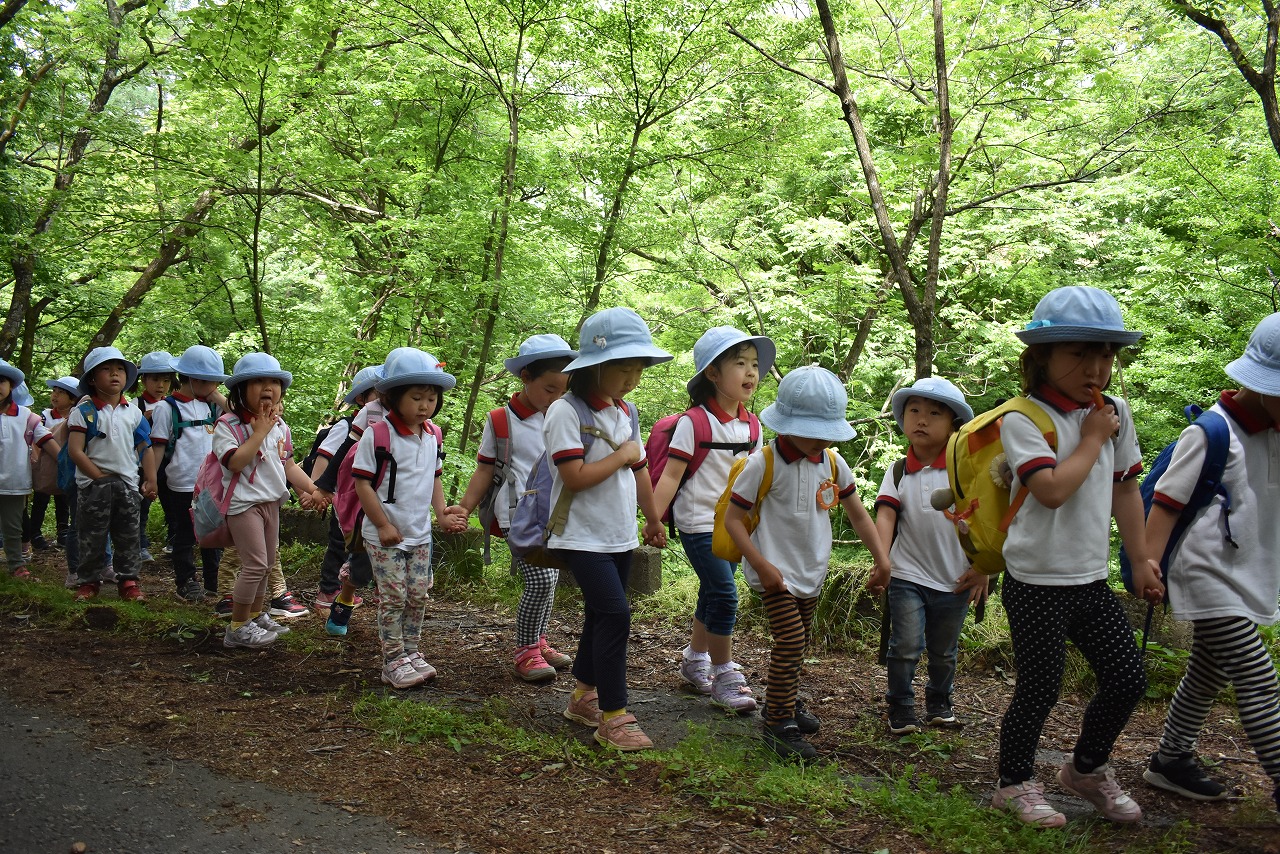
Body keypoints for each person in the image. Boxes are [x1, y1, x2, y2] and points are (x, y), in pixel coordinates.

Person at [980, 286, 1163, 828]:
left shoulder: (1114, 413)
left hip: (1089, 580)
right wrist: (1090, 438)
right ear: (1042, 357)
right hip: (1034, 580)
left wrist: (1141, 559)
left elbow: (1126, 490)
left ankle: (1086, 770)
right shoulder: (1022, 419)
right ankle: (1012, 784)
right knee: (1040, 686)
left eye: (1107, 354)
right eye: (1079, 353)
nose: (1096, 367)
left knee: (1128, 677)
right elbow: (1051, 489)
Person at [1141, 312, 1280, 813]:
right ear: (1262, 387)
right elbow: (1166, 503)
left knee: (1209, 670)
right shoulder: (1211, 433)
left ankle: (1169, 760)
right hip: (1203, 572)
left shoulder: (1273, 433)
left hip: (1246, 574)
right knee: (1257, 675)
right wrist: (1147, 565)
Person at [723, 365, 891, 760]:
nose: (821, 440)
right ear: (787, 425)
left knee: (800, 642)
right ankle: (778, 722)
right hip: (774, 572)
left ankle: (786, 699)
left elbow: (860, 515)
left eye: (826, 432)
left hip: (811, 570)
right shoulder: (763, 463)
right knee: (791, 640)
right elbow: (733, 520)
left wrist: (882, 559)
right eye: (813, 431)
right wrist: (762, 565)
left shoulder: (830, 463)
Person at [551, 307, 670, 751]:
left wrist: (653, 517)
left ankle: (583, 697)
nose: (632, 377)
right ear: (596, 366)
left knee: (601, 615)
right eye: (624, 368)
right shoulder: (567, 412)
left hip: (618, 533)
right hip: (580, 534)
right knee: (616, 614)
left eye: (638, 368)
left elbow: (640, 471)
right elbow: (575, 477)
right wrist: (621, 455)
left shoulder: (626, 412)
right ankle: (614, 716)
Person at [651, 327, 774, 712]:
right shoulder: (695, 423)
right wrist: (654, 519)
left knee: (711, 591)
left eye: (754, 364)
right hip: (697, 522)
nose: (751, 372)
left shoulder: (753, 426)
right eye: (739, 363)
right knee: (724, 594)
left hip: (732, 526)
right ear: (713, 374)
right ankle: (725, 675)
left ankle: (694, 660)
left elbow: (753, 480)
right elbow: (672, 475)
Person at [445, 334, 578, 682]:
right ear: (526, 378)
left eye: (564, 390)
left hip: (555, 512)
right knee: (540, 578)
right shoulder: (501, 420)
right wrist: (462, 507)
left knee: (550, 578)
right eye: (549, 389)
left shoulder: (566, 414)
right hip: (515, 511)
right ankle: (526, 650)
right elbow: (485, 469)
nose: (557, 398)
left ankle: (539, 640)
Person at [871, 377, 977, 735]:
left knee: (944, 650)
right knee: (905, 646)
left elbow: (986, 522)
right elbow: (886, 514)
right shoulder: (899, 470)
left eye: (934, 413)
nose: (921, 419)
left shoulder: (965, 471)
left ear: (953, 425)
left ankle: (939, 701)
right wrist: (882, 560)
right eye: (913, 411)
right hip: (907, 574)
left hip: (956, 578)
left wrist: (985, 568)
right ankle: (900, 703)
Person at [353, 348, 462, 688]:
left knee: (418, 594)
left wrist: (441, 513)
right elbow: (362, 483)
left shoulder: (433, 435)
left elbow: (434, 477)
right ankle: (392, 659)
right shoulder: (379, 434)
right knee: (394, 597)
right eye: (416, 397)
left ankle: (412, 650)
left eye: (431, 398)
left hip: (420, 534)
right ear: (393, 397)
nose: (425, 405)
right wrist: (383, 524)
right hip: (384, 534)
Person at [215, 353, 325, 649]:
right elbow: (235, 462)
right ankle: (237, 627)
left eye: (274, 382)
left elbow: (288, 466)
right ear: (240, 391)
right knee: (255, 564)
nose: (268, 387)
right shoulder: (229, 425)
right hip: (243, 504)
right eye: (258, 381)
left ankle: (255, 615)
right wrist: (259, 431)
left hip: (271, 502)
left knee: (265, 566)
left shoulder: (281, 427)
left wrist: (315, 489)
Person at [68, 347, 158, 601]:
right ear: (93, 379)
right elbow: (76, 450)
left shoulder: (133, 412)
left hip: (127, 484)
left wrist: (150, 479)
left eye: (119, 369)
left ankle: (128, 580)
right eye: (106, 369)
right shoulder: (84, 412)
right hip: (93, 485)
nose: (114, 374)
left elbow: (145, 447)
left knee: (128, 534)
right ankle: (88, 581)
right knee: (92, 535)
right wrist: (98, 477)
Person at [149, 345, 228, 602]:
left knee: (213, 534)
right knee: (185, 533)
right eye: (211, 382)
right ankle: (186, 581)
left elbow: (237, 415)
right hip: (181, 483)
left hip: (211, 483)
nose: (215, 387)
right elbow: (158, 446)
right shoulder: (167, 408)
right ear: (194, 379)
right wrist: (151, 478)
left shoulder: (212, 406)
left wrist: (216, 396)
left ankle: (214, 582)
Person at [310, 364, 382, 614]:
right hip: (347, 496)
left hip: (374, 495)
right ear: (362, 399)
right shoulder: (348, 425)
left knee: (370, 543)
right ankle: (328, 591)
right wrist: (321, 487)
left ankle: (372, 586)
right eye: (378, 393)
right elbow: (328, 454)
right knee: (340, 543)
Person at [0, 364, 57, 578]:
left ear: (11, 386)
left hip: (14, 482)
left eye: (1, 381)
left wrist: (65, 462)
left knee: (13, 525)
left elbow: (45, 439)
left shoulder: (25, 416)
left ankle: (16, 565)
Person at [136, 351, 176, 563]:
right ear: (144, 379)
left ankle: (174, 541)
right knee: (142, 505)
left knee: (173, 504)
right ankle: (140, 545)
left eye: (166, 380)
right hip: (142, 463)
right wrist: (144, 418)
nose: (160, 384)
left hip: (169, 461)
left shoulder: (173, 405)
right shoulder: (135, 404)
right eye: (155, 379)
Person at [25, 378, 73, 552]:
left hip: (65, 465)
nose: (55, 396)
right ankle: (35, 532)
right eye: (54, 392)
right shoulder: (45, 415)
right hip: (47, 465)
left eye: (61, 393)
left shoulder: (75, 417)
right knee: (41, 497)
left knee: (63, 499)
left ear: (72, 398)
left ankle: (63, 531)